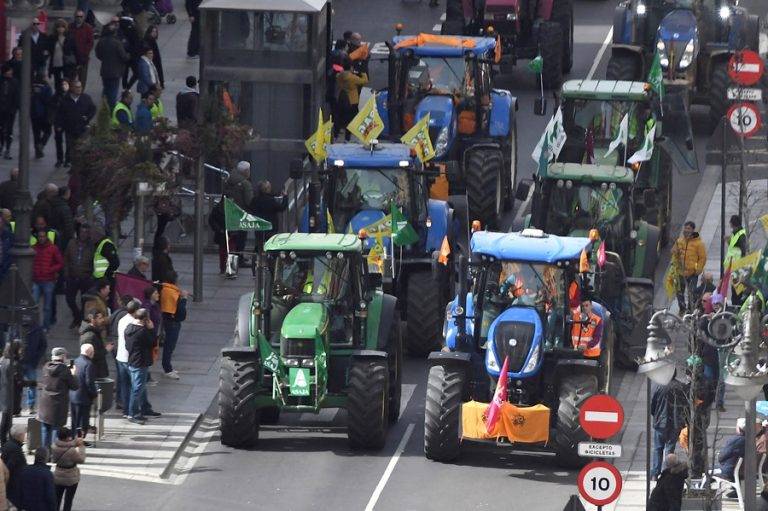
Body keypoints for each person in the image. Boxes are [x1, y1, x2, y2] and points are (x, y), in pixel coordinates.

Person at [38, 347, 79, 449]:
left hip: (45, 403)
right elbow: (75, 386)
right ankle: (54, 452)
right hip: (58, 405)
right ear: (63, 357)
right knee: (56, 429)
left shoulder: (46, 367)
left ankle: (44, 453)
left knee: (45, 428)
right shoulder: (64, 370)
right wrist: (74, 374)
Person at [125, 308, 159, 424]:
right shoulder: (143, 332)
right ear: (145, 319)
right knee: (137, 388)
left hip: (132, 360)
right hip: (141, 362)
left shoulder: (129, 328)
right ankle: (132, 413)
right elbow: (153, 342)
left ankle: (144, 408)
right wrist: (152, 329)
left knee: (140, 386)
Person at [650, 374, 687, 479]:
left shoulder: (659, 386)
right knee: (670, 448)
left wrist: (656, 416)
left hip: (661, 422)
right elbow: (686, 406)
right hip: (675, 423)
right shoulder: (681, 387)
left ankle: (655, 473)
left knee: (658, 448)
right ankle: (666, 471)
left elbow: (653, 404)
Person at [57, 80, 96, 168]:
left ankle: (79, 161)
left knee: (81, 145)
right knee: (70, 144)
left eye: (80, 87)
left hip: (82, 127)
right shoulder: (65, 100)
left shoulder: (86, 98)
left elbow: (93, 109)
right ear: (72, 88)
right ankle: (68, 160)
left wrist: (87, 117)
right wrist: (59, 125)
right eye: (77, 87)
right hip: (69, 127)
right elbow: (60, 113)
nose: (79, 89)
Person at [671, 221, 706, 313]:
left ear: (693, 230)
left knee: (691, 292)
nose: (686, 230)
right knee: (679, 292)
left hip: (692, 273)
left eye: (688, 228)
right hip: (680, 272)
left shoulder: (698, 243)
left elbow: (702, 258)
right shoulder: (679, 241)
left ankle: (691, 310)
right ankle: (682, 309)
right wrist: (675, 251)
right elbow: (674, 253)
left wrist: (698, 269)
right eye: (685, 228)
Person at [32, 229, 64, 331]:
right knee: (34, 305)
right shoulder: (34, 248)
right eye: (39, 236)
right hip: (36, 280)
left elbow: (60, 263)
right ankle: (35, 326)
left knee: (47, 306)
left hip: (48, 280)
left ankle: (45, 326)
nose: (41, 238)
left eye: (43, 236)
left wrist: (50, 270)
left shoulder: (53, 248)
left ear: (46, 237)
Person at [63, 223, 94, 329]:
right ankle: (77, 317)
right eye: (82, 232)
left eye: (86, 232)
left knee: (84, 301)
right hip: (72, 277)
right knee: (69, 299)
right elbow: (66, 258)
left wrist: (92, 276)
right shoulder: (72, 243)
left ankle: (80, 319)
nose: (83, 234)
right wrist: (66, 274)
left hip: (86, 277)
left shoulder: (92, 246)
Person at [95, 23, 130, 109]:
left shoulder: (101, 41)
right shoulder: (117, 43)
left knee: (106, 89)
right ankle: (111, 110)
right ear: (115, 33)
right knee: (113, 92)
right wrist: (129, 55)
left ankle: (104, 106)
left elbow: (98, 54)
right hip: (115, 71)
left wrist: (104, 59)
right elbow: (124, 57)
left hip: (105, 70)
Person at [160, 271, 188, 379]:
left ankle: (167, 366)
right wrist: (184, 298)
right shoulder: (172, 293)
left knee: (169, 345)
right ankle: (167, 368)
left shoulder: (166, 289)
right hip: (173, 322)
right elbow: (180, 310)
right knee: (170, 345)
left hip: (169, 321)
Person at [224, 161, 254, 258]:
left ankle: (230, 258)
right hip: (242, 214)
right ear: (245, 171)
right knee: (241, 238)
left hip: (230, 212)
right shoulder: (246, 184)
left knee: (231, 238)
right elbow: (249, 201)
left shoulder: (229, 180)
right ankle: (239, 258)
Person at [51, 427, 85, 511]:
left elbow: (53, 460)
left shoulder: (54, 446)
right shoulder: (72, 451)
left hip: (58, 476)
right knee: (68, 501)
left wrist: (74, 443)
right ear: (67, 438)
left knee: (57, 500)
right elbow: (81, 460)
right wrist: (81, 447)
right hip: (71, 477)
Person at [336, 56, 369, 140]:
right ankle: (349, 137)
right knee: (352, 120)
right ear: (350, 67)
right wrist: (363, 72)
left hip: (342, 98)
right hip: (352, 100)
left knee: (341, 118)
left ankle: (337, 134)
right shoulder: (352, 78)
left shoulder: (340, 75)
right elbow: (364, 80)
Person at [116, 299, 140, 411]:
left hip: (120, 356)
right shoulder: (133, 323)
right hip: (129, 357)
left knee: (124, 384)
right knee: (134, 385)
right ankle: (131, 410)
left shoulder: (122, 319)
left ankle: (126, 409)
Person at [251, 180, 287, 253]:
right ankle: (270, 259)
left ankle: (259, 258)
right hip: (271, 226)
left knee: (259, 244)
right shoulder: (271, 200)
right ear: (267, 189)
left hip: (259, 225)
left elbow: (251, 208)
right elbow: (281, 207)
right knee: (271, 244)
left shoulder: (255, 200)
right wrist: (285, 197)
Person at [21, 319, 47, 415]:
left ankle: (31, 406)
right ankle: (15, 407)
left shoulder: (37, 329)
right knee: (15, 384)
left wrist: (36, 358)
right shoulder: (16, 325)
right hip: (18, 362)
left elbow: (43, 345)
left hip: (30, 362)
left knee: (32, 384)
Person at [69, 344, 96, 439]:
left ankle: (73, 437)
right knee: (83, 422)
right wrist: (94, 394)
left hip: (73, 395)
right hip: (83, 397)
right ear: (90, 353)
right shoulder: (89, 364)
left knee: (74, 421)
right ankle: (79, 441)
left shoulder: (75, 361)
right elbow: (89, 382)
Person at [79, 309, 110, 380]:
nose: (102, 320)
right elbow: (90, 355)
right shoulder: (89, 336)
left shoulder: (94, 331)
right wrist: (106, 350)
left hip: (96, 369)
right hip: (94, 371)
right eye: (99, 318)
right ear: (92, 320)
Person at [47, 19, 77, 93]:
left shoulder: (69, 37)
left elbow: (74, 49)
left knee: (66, 82)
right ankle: (59, 97)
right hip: (56, 62)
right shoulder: (52, 38)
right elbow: (49, 50)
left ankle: (66, 96)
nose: (60, 29)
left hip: (66, 63)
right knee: (57, 82)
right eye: (58, 27)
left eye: (62, 27)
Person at [1, 424, 26, 509]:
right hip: (13, 486)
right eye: (24, 434)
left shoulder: (8, 444)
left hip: (10, 485)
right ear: (19, 435)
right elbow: (8, 469)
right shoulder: (16, 450)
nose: (25, 436)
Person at [69, 11, 94, 89]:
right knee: (71, 78)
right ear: (74, 17)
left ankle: (81, 94)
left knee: (82, 79)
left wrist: (85, 53)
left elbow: (90, 43)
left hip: (83, 58)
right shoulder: (70, 27)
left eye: (81, 16)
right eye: (77, 16)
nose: (79, 18)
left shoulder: (88, 28)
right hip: (72, 57)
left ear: (83, 17)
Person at [31, 72, 53, 159]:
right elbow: (49, 101)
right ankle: (41, 144)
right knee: (48, 131)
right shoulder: (47, 88)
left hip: (33, 113)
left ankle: (37, 151)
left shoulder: (32, 87)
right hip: (44, 113)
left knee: (36, 133)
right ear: (44, 78)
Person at [727, 215, 748, 305]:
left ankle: (737, 305)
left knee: (737, 287)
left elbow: (742, 249)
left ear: (732, 223)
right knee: (735, 286)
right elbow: (734, 247)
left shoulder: (740, 233)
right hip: (734, 264)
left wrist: (741, 264)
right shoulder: (735, 233)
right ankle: (736, 303)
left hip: (738, 265)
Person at [0, 64, 20, 160]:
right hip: (1, 109)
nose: (10, 73)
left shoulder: (15, 82)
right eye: (9, 71)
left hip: (10, 110)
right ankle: (1, 145)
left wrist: (15, 108)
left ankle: (7, 148)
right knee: (1, 129)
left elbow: (16, 96)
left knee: (9, 130)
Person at [719, 418, 747, 482]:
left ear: (739, 429)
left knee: (709, 474)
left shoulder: (735, 441)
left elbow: (721, 457)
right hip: (743, 470)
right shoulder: (751, 440)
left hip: (730, 471)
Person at [50, 79, 70, 168]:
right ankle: (60, 159)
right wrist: (55, 122)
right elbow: (53, 110)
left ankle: (68, 160)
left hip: (68, 122)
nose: (64, 86)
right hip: (59, 122)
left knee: (69, 141)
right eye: (63, 84)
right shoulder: (56, 97)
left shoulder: (71, 96)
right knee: (59, 141)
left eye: (66, 84)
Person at [0, 343, 17, 444]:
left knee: (5, 418)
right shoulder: (10, 363)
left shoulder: (3, 360)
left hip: (3, 391)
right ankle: (3, 441)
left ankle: (3, 440)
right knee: (6, 420)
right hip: (7, 393)